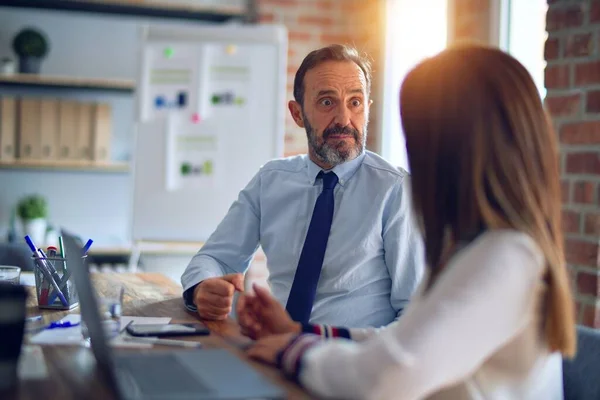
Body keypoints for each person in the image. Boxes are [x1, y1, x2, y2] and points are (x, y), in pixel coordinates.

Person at [242, 44, 577, 400]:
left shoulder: (507, 257)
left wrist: (293, 352)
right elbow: (404, 341)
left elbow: (389, 376)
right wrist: (301, 334)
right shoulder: (475, 247)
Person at [180, 44, 424, 329]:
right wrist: (203, 287)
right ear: (297, 114)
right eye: (326, 102)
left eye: (355, 102)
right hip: (274, 352)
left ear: (367, 109)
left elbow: (416, 316)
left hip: (352, 361)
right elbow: (214, 258)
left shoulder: (395, 190)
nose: (344, 119)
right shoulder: (270, 181)